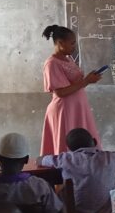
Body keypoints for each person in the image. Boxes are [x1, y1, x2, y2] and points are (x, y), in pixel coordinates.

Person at [39, 128, 115, 213]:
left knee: (58, 192)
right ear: (94, 142)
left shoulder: (65, 159)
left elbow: (40, 160)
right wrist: (110, 153)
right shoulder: (110, 157)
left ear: (69, 148)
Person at [41, 24, 102, 156]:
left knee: (85, 145)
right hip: (65, 111)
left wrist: (89, 79)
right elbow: (60, 92)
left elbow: (76, 84)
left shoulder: (68, 59)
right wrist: (86, 81)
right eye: (72, 43)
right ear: (60, 42)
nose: (74, 47)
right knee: (67, 147)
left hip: (77, 109)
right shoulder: (51, 63)